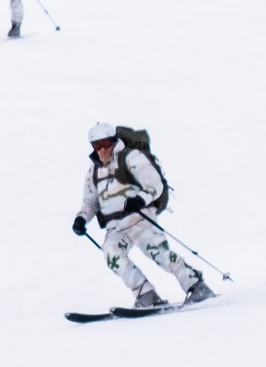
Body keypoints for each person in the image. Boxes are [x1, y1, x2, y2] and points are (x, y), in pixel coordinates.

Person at [73, 124, 215, 310]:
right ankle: (146, 295)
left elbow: (155, 184)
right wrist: (81, 218)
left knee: (159, 254)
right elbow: (90, 201)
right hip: (115, 226)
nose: (102, 149)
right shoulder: (94, 170)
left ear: (114, 140)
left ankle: (196, 286)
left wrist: (140, 200)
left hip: (139, 218)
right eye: (96, 145)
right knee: (111, 253)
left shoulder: (131, 157)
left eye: (105, 143)